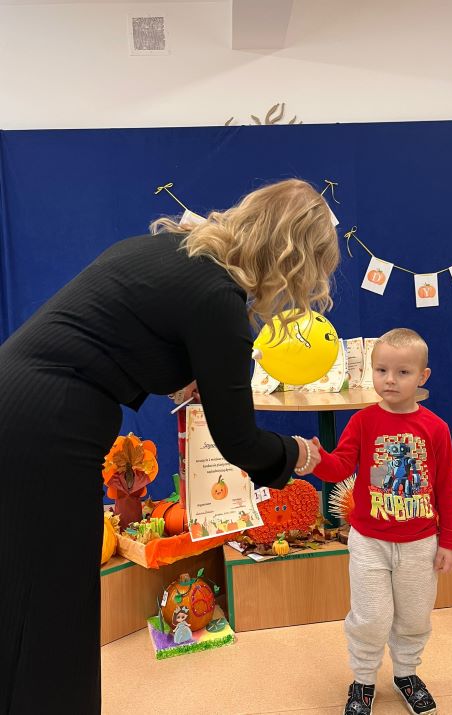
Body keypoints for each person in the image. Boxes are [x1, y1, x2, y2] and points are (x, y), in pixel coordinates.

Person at [0, 178, 337, 714]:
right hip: (49, 423)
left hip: (17, 399)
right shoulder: (218, 297)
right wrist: (299, 453)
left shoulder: (166, 251)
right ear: (291, 257)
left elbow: (121, 334)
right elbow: (240, 442)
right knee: (57, 601)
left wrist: (186, 374)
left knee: (22, 580)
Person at [311, 328, 452, 715]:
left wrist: (450, 541)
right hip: (369, 542)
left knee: (414, 617)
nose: (390, 380)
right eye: (381, 370)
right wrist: (314, 459)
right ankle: (363, 680)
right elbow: (340, 467)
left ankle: (406, 674)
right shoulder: (363, 422)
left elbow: (447, 488)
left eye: (402, 372)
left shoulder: (436, 429)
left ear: (423, 376)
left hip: (420, 545)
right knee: (371, 617)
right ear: (371, 371)